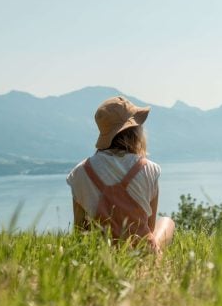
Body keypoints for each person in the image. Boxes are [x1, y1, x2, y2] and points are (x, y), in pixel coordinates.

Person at [66, 96, 175, 254]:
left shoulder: (80, 172)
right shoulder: (150, 169)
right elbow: (149, 228)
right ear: (135, 130)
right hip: (142, 252)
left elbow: (79, 230)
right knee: (166, 221)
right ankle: (155, 257)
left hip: (102, 254)